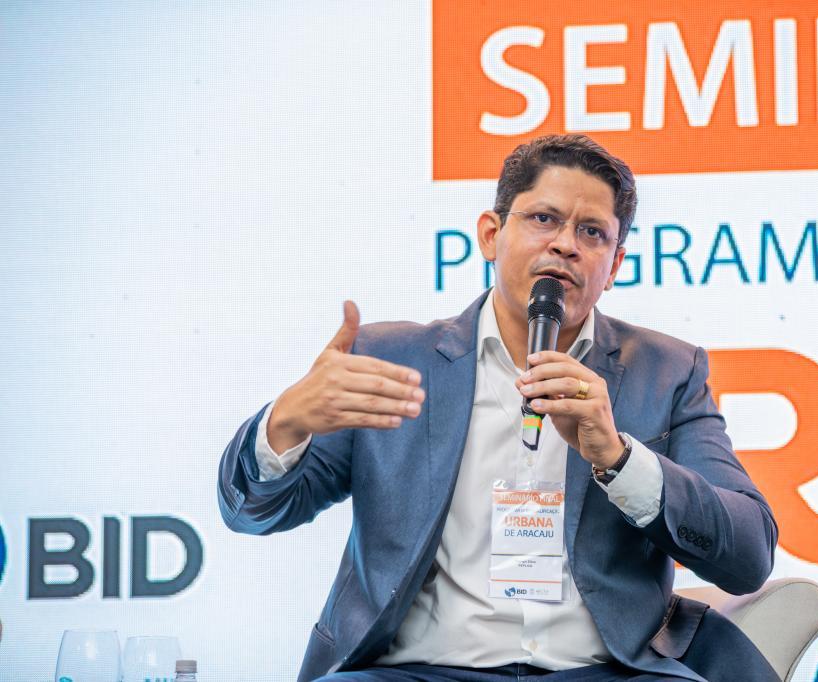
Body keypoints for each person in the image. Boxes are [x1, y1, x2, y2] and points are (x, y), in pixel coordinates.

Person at [218, 135, 780, 681]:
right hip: (419, 672)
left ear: (614, 266)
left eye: (592, 232)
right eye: (544, 219)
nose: (565, 245)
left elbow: (749, 555)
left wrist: (618, 459)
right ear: (491, 234)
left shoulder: (667, 372)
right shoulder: (393, 360)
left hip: (605, 672)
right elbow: (252, 513)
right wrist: (286, 423)